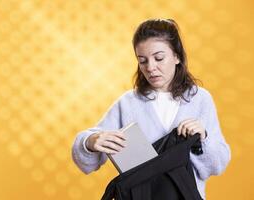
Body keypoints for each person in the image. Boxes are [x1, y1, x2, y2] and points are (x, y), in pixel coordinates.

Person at [72, 18, 231, 199]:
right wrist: (90, 142)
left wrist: (203, 138)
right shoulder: (128, 103)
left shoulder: (200, 99)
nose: (151, 68)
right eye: (142, 61)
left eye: (159, 58)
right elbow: (87, 162)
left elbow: (218, 164)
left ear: (177, 56)